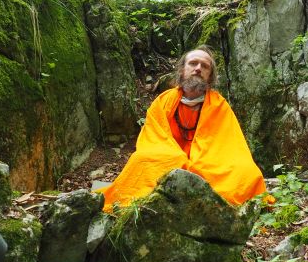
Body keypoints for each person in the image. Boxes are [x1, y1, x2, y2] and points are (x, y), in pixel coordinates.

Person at [98, 46, 268, 211]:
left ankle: (222, 209)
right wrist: (178, 158)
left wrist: (196, 161)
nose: (198, 68)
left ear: (210, 77)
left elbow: (227, 143)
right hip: (168, 157)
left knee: (248, 172)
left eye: (205, 66)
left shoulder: (219, 105)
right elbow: (153, 139)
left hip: (209, 159)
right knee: (142, 159)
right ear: (182, 70)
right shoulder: (163, 101)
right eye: (193, 63)